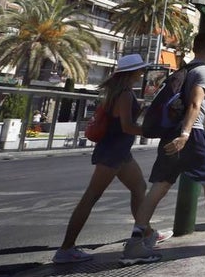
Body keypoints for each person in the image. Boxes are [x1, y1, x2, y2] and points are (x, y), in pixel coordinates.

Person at [120, 33, 205, 265]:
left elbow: (192, 109)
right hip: (191, 137)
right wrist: (185, 134)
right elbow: (194, 104)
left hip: (172, 135)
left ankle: (135, 242)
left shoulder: (182, 72)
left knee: (158, 188)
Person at [53, 54, 168, 263]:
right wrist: (154, 132)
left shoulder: (120, 92)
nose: (142, 73)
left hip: (120, 151)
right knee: (91, 197)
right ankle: (66, 248)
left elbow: (124, 121)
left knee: (139, 188)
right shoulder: (124, 94)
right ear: (132, 72)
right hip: (113, 152)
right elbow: (127, 126)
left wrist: (142, 109)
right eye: (140, 69)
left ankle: (147, 233)